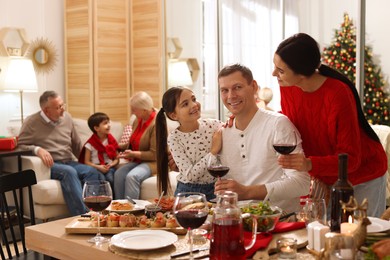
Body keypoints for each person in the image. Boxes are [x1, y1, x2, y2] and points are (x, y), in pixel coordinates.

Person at [272, 33, 387, 217]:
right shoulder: (288, 86)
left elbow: (351, 159)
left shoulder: (338, 94)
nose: (274, 74)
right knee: (329, 239)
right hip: (327, 177)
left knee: (363, 241)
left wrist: (310, 164)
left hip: (363, 176)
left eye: (281, 70)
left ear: (301, 73)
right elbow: (296, 122)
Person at [214, 64, 310, 213]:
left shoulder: (278, 124)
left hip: (280, 222)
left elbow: (301, 183)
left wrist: (247, 192)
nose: (231, 96)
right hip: (236, 220)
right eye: (224, 90)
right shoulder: (222, 132)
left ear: (253, 86)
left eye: (237, 87)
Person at [17, 90, 104, 216]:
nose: (63, 109)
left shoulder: (67, 117)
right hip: (51, 164)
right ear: (47, 110)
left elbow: (76, 143)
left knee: (91, 171)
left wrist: (91, 162)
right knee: (69, 172)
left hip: (69, 160)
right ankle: (83, 216)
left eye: (63, 105)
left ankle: (96, 211)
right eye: (58, 107)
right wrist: (37, 149)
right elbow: (20, 145)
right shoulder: (31, 122)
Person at [156, 87, 223, 201]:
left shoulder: (214, 125)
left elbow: (234, 129)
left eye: (194, 99)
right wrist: (213, 151)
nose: (194, 104)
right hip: (188, 192)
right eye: (185, 104)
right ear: (174, 115)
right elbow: (190, 175)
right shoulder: (174, 138)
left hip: (215, 189)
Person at [114, 91, 157, 200]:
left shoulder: (157, 124)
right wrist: (116, 146)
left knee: (132, 177)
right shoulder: (138, 120)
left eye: (134, 109)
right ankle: (119, 209)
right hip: (138, 160)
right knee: (119, 174)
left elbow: (154, 154)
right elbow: (133, 143)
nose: (132, 112)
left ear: (144, 109)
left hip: (154, 162)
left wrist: (133, 154)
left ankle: (131, 212)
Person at [79, 112, 119, 191]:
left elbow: (117, 159)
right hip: (96, 167)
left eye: (108, 122)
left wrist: (110, 165)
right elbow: (86, 161)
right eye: (105, 123)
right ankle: (101, 199)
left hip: (109, 167)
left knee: (110, 179)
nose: (109, 125)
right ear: (97, 128)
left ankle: (112, 199)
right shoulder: (90, 143)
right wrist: (98, 167)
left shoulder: (111, 140)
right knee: (101, 179)